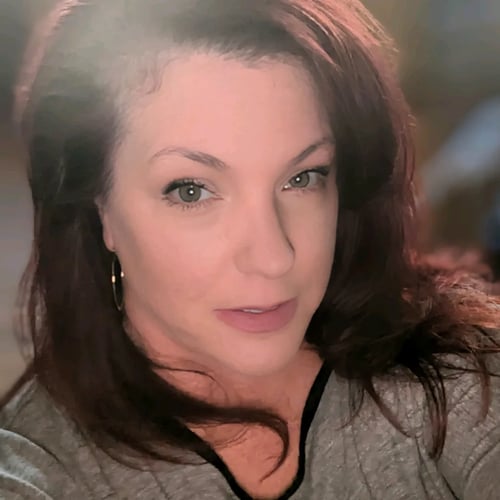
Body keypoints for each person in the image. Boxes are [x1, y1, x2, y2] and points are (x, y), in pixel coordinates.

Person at [1, 1, 499, 498]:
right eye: (192, 191)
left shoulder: (456, 387)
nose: (273, 257)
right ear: (98, 209)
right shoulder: (38, 471)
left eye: (303, 178)